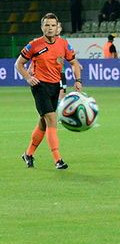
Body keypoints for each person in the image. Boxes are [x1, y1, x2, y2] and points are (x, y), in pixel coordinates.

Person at [15, 13, 82, 170]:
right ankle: (58, 160)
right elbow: (19, 64)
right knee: (52, 119)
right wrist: (28, 78)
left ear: (57, 27)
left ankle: (28, 154)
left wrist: (78, 80)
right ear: (42, 27)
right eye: (47, 25)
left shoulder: (64, 44)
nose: (50, 28)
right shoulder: (34, 45)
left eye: (53, 25)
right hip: (39, 86)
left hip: (55, 85)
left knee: (43, 124)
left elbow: (74, 63)